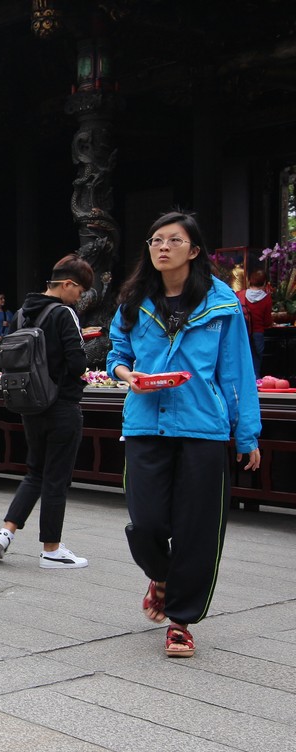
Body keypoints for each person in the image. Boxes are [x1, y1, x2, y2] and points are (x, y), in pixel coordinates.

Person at [107, 210, 261, 658]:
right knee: (147, 521)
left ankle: (180, 621)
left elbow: (237, 373)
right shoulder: (134, 301)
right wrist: (125, 373)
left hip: (203, 428)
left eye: (173, 240)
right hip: (144, 422)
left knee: (198, 528)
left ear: (193, 251)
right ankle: (161, 574)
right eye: (155, 240)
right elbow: (116, 352)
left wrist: (246, 433)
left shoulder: (222, 305)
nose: (161, 247)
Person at [0, 255, 95, 568]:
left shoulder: (22, 313)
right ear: (68, 284)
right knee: (56, 478)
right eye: (81, 290)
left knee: (36, 471)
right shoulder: (64, 313)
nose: (81, 297)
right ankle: (52, 549)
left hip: (29, 403)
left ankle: (5, 532)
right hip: (61, 404)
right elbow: (76, 363)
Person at [236, 266, 273, 378]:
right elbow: (267, 322)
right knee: (256, 362)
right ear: (265, 283)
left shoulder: (239, 295)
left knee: (241, 361)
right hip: (258, 334)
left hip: (242, 333)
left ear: (249, 281)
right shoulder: (267, 299)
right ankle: (255, 385)